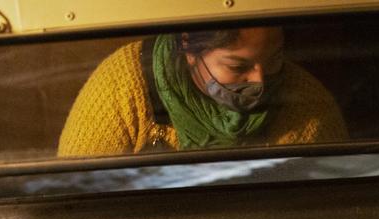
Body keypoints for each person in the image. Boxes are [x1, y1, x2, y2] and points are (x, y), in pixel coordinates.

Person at [58, 28, 348, 157]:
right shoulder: (123, 88)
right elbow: (74, 207)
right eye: (238, 66)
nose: (259, 81)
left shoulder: (306, 103)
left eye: (273, 60)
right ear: (189, 48)